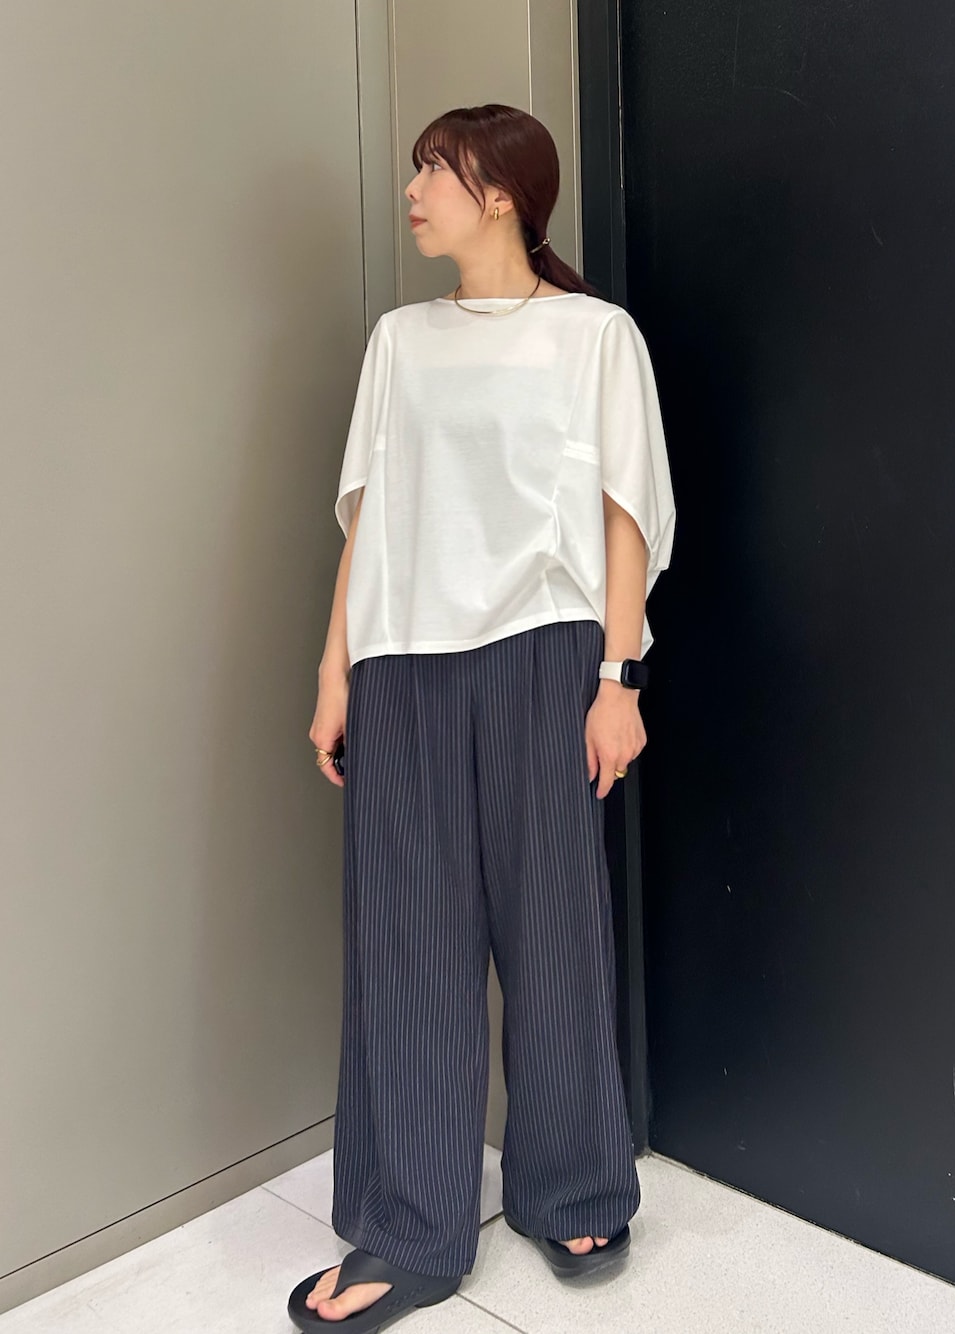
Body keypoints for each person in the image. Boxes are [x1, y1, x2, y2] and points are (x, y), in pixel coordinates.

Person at [287, 103, 675, 1333]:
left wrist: (618, 679)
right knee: (404, 941)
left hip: (543, 653)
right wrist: (334, 669)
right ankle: (410, 1225)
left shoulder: (594, 335)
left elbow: (625, 514)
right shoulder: (399, 341)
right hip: (402, 661)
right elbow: (369, 515)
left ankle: (573, 1184)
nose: (413, 191)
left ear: (501, 192)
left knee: (552, 926)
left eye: (435, 171)